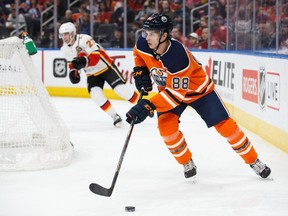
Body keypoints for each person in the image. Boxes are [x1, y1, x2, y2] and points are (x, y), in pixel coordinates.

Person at [126, 13, 271, 179]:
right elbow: (138, 54)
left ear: (164, 35)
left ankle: (254, 160)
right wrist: (140, 70)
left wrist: (147, 106)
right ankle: (186, 162)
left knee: (226, 126)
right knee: (166, 129)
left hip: (200, 93)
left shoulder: (177, 55)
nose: (147, 37)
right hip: (169, 91)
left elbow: (175, 96)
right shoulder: (143, 43)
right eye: (146, 32)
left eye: (152, 33)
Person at [59, 22, 138, 127]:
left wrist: (83, 61)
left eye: (66, 34)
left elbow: (96, 57)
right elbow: (72, 65)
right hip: (91, 74)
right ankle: (115, 117)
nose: (64, 37)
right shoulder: (64, 50)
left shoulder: (85, 39)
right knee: (95, 94)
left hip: (106, 67)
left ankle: (143, 104)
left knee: (121, 90)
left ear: (73, 33)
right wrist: (73, 72)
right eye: (62, 35)